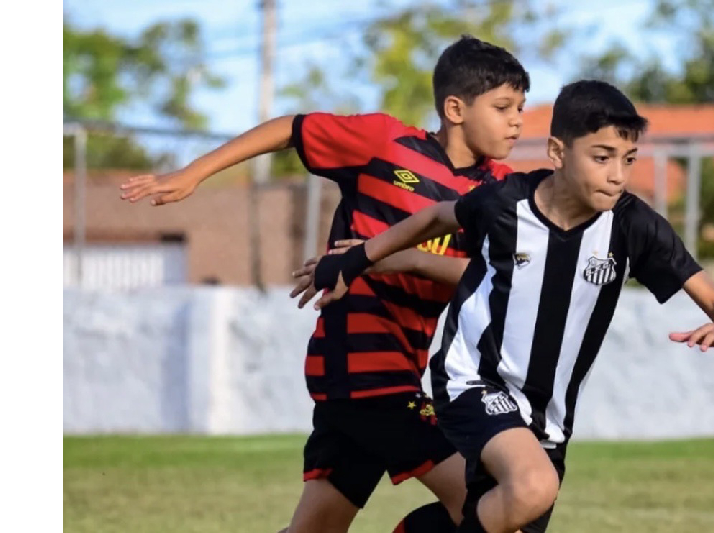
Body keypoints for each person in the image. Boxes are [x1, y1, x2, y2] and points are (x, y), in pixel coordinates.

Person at [119, 36, 531, 533]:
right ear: (454, 108)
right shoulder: (385, 144)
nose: (517, 121)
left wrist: (405, 258)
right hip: (361, 369)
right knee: (487, 502)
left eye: (521, 109)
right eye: (504, 107)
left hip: (397, 369)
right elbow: (292, 128)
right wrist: (195, 173)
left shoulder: (498, 193)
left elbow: (497, 277)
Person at [302, 80, 714, 533]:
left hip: (547, 419)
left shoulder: (635, 227)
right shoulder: (506, 201)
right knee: (534, 486)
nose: (618, 174)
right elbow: (438, 216)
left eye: (628, 159)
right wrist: (363, 256)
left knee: (514, 512)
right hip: (473, 383)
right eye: (602, 157)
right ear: (558, 152)